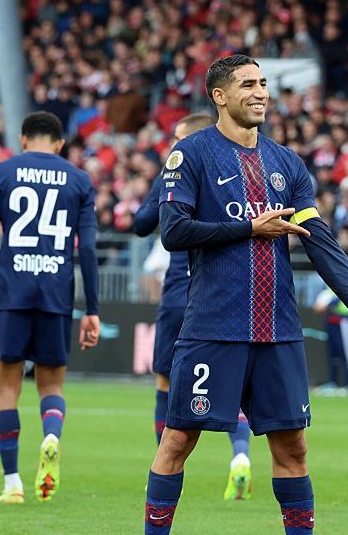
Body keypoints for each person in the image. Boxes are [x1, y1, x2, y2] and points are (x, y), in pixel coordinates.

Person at [142, 54, 348, 535]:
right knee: (178, 440)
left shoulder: (287, 163)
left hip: (278, 331)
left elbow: (319, 241)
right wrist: (249, 227)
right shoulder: (192, 153)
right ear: (219, 95)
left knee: (293, 449)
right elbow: (173, 231)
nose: (261, 92)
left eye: (263, 83)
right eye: (248, 84)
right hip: (213, 327)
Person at [0, 111, 101, 504]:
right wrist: (92, 309)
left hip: (11, 293)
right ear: (60, 144)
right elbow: (88, 249)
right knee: (51, 385)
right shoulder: (79, 179)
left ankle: (12, 484)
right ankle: (51, 435)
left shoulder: (4, 172)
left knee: (7, 388)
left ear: (23, 139)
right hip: (56, 295)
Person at [133, 112, 256, 501]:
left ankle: (164, 463)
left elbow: (142, 222)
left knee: (166, 382)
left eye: (179, 139)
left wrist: (165, 178)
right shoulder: (237, 174)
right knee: (235, 386)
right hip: (225, 295)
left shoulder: (179, 173)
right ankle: (241, 456)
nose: (174, 147)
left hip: (180, 293)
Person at [312, 288, 348, 397]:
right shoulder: (327, 293)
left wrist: (330, 304)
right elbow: (318, 308)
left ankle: (347, 385)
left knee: (346, 354)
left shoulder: (346, 289)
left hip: (343, 322)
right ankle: (333, 383)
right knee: (333, 356)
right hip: (331, 323)